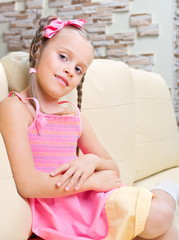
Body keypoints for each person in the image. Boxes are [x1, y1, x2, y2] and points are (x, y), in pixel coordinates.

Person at [0, 15, 178, 240]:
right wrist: (91, 180)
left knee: (162, 219)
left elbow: (113, 171)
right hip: (58, 212)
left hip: (91, 201)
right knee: (168, 232)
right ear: (38, 50)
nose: (69, 71)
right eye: (63, 57)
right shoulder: (16, 107)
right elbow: (28, 183)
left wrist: (92, 161)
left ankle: (167, 190)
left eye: (78, 69)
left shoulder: (74, 115)